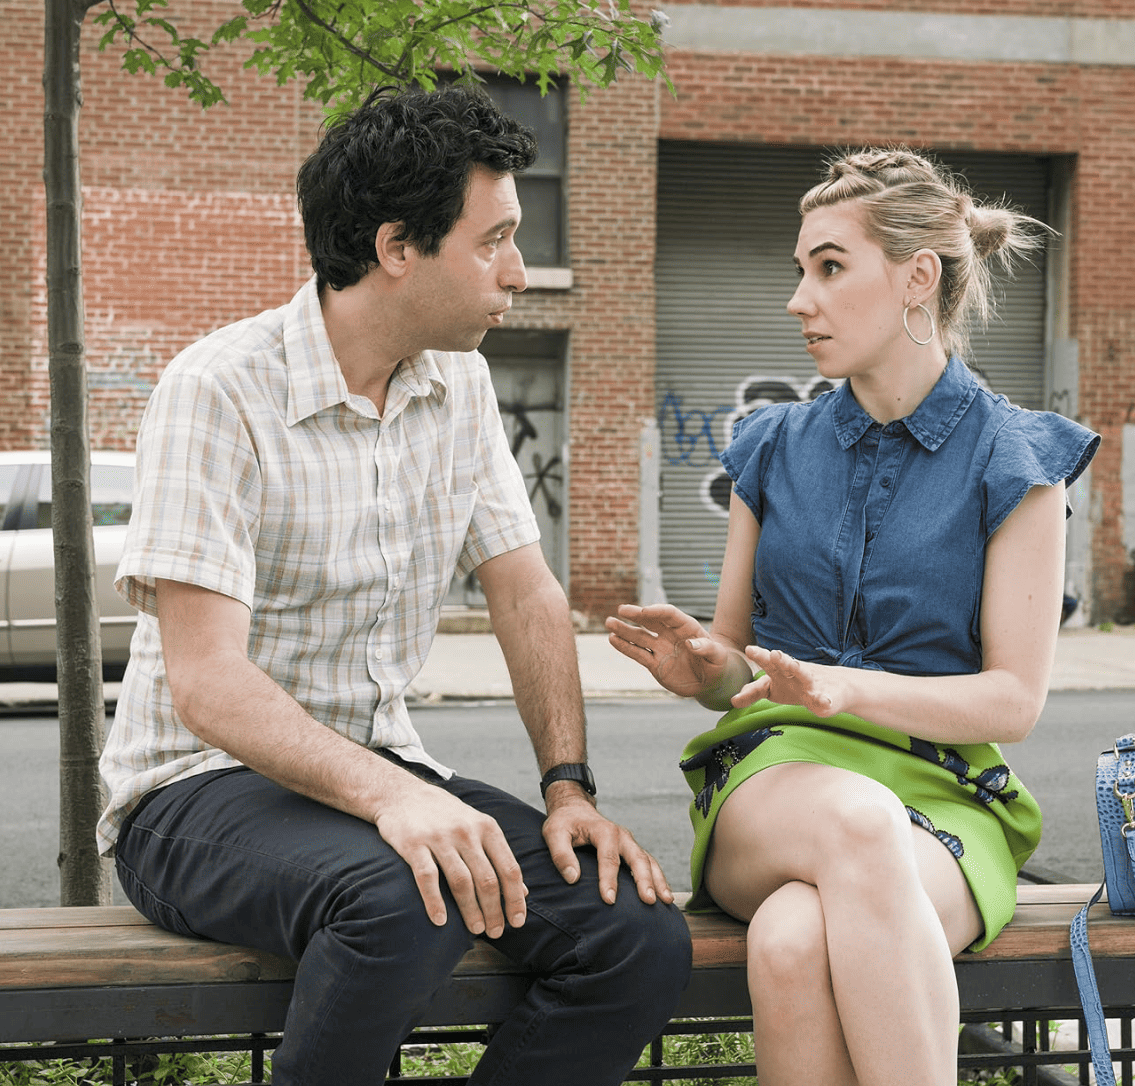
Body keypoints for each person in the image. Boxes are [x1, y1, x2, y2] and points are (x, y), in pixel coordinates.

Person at [98, 84, 691, 1086]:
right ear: (395, 248)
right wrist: (394, 799)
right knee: (405, 896)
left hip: (375, 777)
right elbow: (206, 683)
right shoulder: (219, 388)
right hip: (192, 794)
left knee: (633, 933)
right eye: (494, 239)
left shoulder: (455, 380)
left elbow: (525, 591)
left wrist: (566, 788)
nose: (519, 270)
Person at [607, 148, 1099, 1086]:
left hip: (947, 795)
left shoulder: (1019, 460)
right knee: (861, 828)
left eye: (829, 267)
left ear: (919, 278)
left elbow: (1012, 703)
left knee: (793, 942)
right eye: (801, 270)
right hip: (778, 779)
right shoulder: (772, 444)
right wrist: (704, 671)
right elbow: (739, 669)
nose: (800, 298)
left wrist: (846, 686)